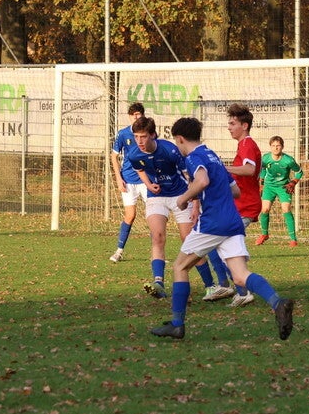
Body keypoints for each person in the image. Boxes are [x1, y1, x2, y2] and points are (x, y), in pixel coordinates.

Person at [150, 117, 294, 340]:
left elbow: (202, 181)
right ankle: (277, 303)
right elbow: (235, 191)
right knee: (240, 276)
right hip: (232, 221)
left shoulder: (194, 157)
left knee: (179, 267)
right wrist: (207, 193)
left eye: (177, 143)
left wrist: (183, 199)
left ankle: (177, 324)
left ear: (180, 139)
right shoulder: (212, 156)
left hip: (213, 223)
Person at [128, 117, 218, 298]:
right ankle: (158, 283)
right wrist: (148, 184)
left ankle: (210, 285)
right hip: (157, 197)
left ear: (153, 135)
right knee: (157, 236)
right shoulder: (134, 154)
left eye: (143, 136)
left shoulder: (170, 150)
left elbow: (190, 177)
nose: (139, 141)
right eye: (136, 137)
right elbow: (139, 169)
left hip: (180, 196)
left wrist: (195, 203)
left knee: (189, 240)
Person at [202, 104, 263, 307]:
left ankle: (242, 290)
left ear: (244, 125)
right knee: (213, 244)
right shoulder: (243, 145)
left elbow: (249, 170)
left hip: (246, 206)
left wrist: (223, 168)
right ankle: (226, 285)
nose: (229, 127)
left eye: (232, 123)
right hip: (238, 205)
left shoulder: (247, 144)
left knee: (223, 246)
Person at [109, 102, 148, 263]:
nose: (136, 117)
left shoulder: (149, 133)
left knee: (155, 216)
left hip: (146, 181)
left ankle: (158, 254)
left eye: (139, 114)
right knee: (130, 215)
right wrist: (118, 178)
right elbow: (114, 156)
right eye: (134, 115)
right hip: (128, 180)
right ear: (130, 116)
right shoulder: (123, 134)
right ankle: (119, 251)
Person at [256, 135, 304, 247]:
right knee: (265, 209)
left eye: (278, 145)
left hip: (283, 187)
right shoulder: (265, 158)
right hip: (269, 187)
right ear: (270, 147)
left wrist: (293, 182)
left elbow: (299, 172)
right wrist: (261, 183)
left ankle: (293, 239)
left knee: (286, 209)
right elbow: (262, 169)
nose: (275, 148)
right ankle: (264, 234)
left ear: (282, 147)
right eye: (273, 146)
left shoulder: (288, 160)